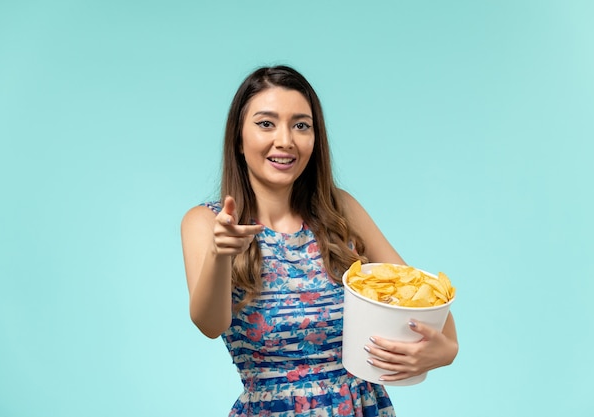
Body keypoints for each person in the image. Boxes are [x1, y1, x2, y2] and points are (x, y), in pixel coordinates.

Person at [181, 65, 458, 416]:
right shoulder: (206, 221)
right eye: (266, 123)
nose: (285, 140)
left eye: (301, 125)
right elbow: (210, 324)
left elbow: (425, 299)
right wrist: (221, 254)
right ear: (238, 137)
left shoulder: (341, 210)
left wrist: (446, 351)